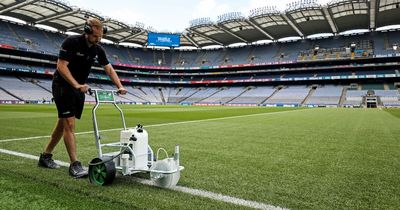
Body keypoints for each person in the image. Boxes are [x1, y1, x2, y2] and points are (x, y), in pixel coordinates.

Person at [38, 18, 127, 178]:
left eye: (100, 37)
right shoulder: (71, 42)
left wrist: (119, 86)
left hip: (78, 89)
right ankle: (75, 165)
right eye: (95, 37)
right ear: (86, 31)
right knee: (69, 125)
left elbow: (109, 69)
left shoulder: (98, 49)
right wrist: (76, 84)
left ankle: (45, 156)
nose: (98, 40)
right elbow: (61, 66)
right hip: (62, 86)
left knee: (62, 125)